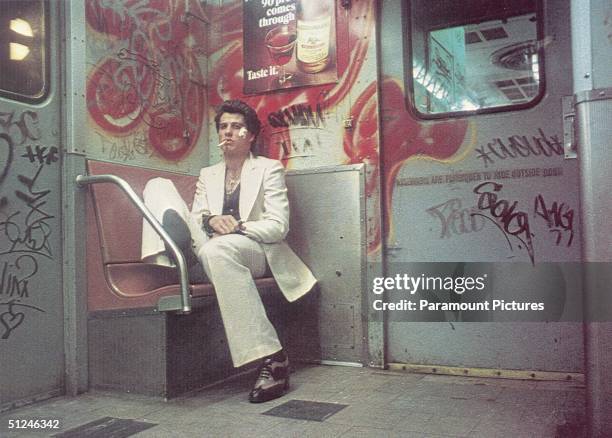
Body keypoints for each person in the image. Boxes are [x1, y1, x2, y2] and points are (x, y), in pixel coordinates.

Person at [140, 99, 316, 403]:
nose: (228, 132)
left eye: (236, 127)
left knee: (218, 252)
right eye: (223, 127)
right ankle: (176, 251)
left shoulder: (268, 169)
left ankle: (273, 358)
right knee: (157, 184)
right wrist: (209, 220)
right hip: (212, 247)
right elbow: (198, 217)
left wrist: (238, 226)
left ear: (250, 136)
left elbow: (277, 227)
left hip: (256, 251)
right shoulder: (208, 174)